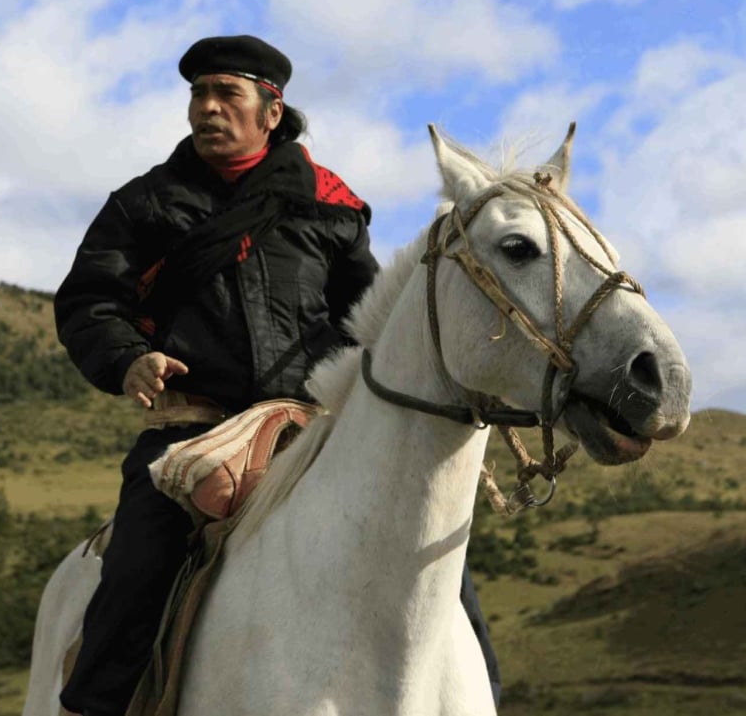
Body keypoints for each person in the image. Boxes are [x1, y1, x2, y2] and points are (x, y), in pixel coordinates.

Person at [53, 35, 499, 716]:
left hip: (311, 423)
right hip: (194, 427)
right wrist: (126, 358)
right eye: (199, 94)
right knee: (138, 564)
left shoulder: (330, 204)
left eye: (226, 93)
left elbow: (367, 319)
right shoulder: (144, 203)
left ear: (271, 109)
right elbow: (90, 300)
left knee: (438, 563)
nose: (206, 108)